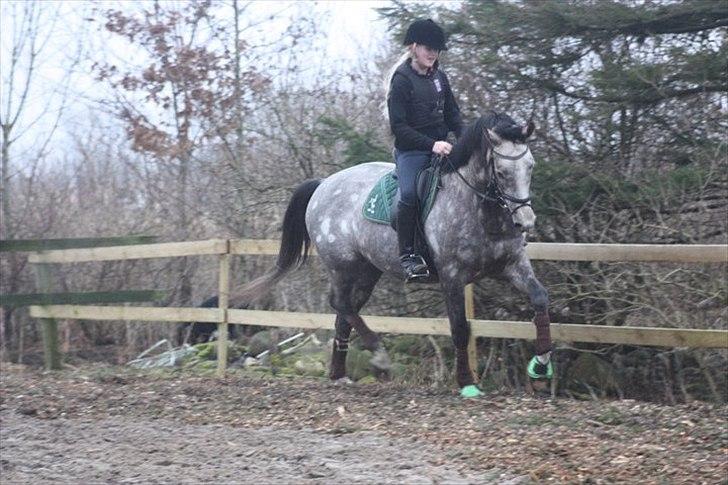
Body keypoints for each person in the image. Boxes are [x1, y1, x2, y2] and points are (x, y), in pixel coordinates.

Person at [385, 18, 463, 281]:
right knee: (409, 195)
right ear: (414, 47)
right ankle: (408, 256)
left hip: (443, 148)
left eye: (436, 49)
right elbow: (399, 128)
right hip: (412, 152)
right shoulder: (401, 81)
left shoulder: (440, 78)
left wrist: (468, 141)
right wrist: (431, 144)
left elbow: (453, 115)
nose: (433, 53)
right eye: (428, 48)